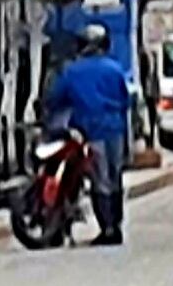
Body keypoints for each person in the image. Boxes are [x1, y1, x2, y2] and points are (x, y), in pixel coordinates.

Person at [45, 20, 134, 246]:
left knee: (100, 180)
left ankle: (107, 228)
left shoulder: (72, 71)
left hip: (91, 130)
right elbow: (126, 99)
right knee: (114, 179)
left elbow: (55, 98)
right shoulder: (115, 69)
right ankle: (116, 225)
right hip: (116, 129)